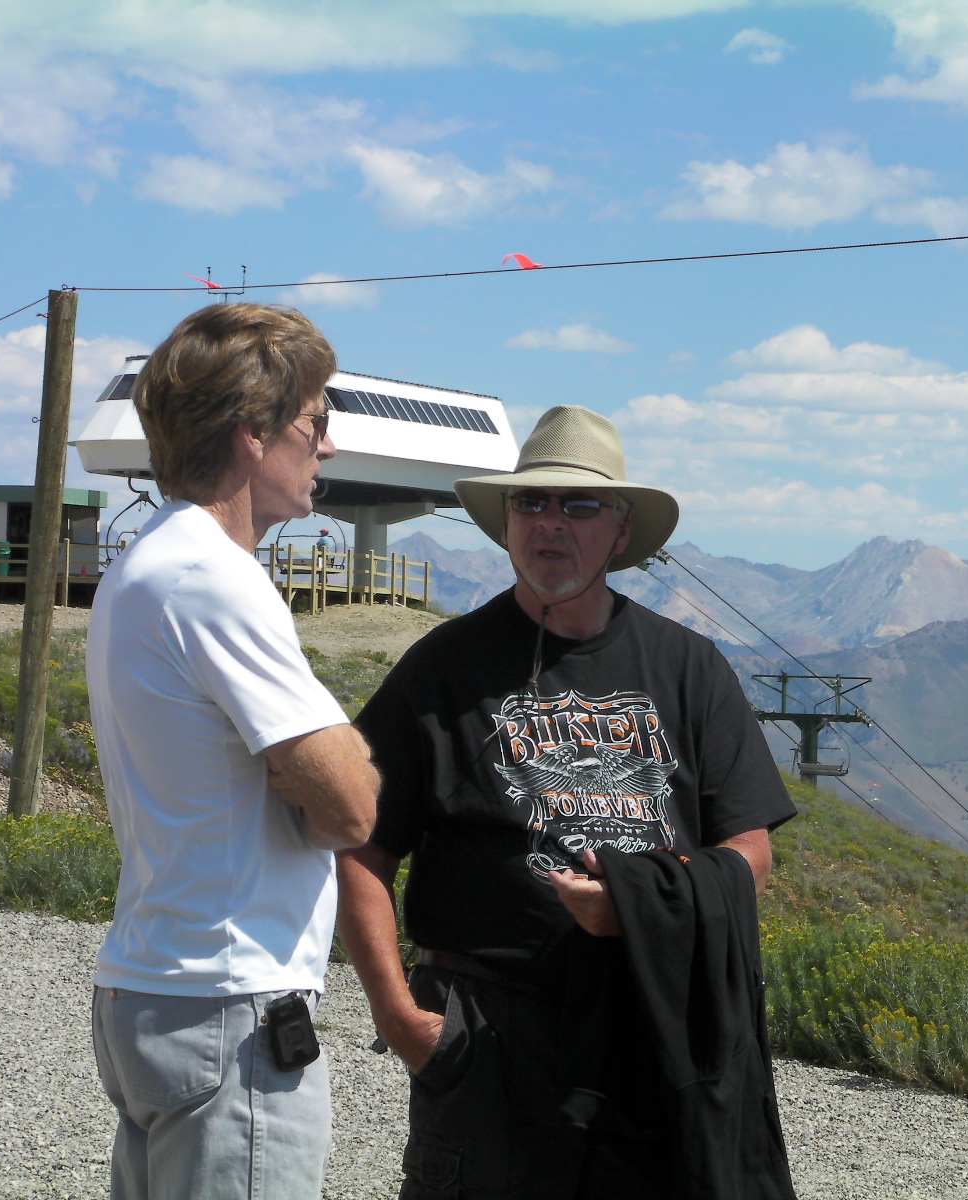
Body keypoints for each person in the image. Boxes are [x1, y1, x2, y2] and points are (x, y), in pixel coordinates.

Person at [338, 405, 798, 1200]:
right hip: (485, 1035)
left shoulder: (690, 668)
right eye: (532, 502)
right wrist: (398, 1020)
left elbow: (750, 854)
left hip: (645, 1027)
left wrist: (638, 906)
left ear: (620, 531)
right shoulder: (440, 670)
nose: (550, 523)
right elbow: (360, 846)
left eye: (579, 505)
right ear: (508, 522)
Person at [86, 303, 379, 1200]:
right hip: (229, 1001)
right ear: (255, 433)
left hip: (159, 984)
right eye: (316, 421)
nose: (325, 447)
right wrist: (336, 760)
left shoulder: (146, 564)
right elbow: (349, 806)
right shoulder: (217, 578)